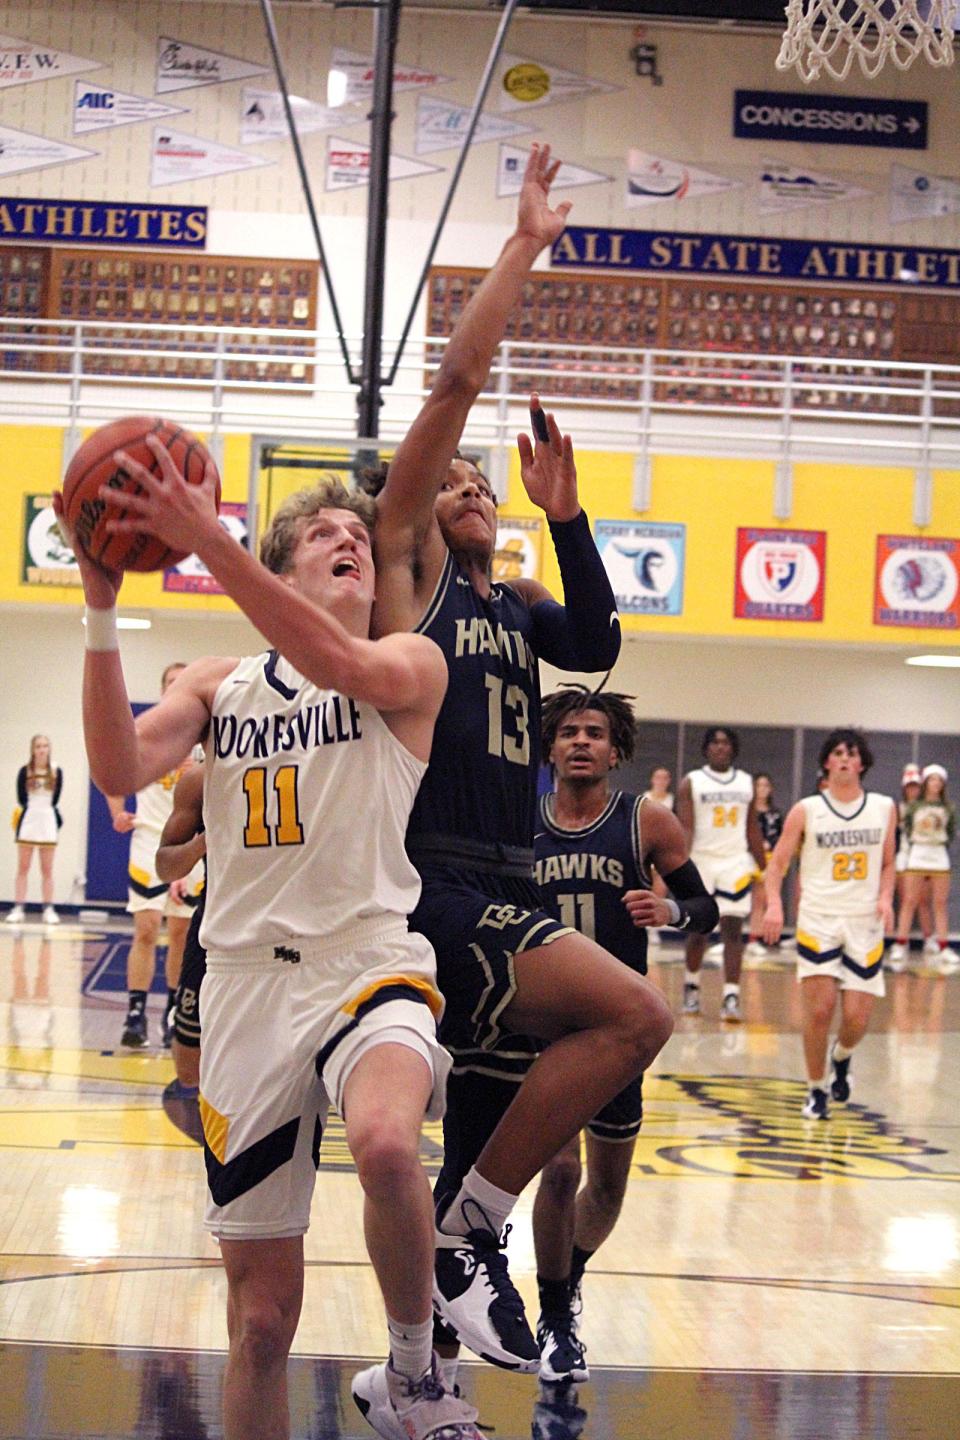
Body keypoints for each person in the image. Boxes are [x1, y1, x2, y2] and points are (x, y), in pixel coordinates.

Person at [56, 455, 486, 1440]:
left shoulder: (410, 667)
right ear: (281, 567)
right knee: (259, 1322)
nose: (348, 541)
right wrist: (98, 603)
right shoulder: (220, 685)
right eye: (321, 534)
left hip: (368, 962)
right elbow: (120, 763)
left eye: (359, 540)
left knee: (385, 1141)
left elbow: (340, 666)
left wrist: (203, 538)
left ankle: (415, 1373)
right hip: (247, 991)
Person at [370, 143, 674, 1379]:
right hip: (437, 874)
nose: (472, 484)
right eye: (457, 480)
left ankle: (421, 1370)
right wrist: (524, 248)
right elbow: (451, 384)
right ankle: (467, 1236)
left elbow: (597, 639)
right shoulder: (414, 581)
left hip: (506, 882)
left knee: (488, 1127)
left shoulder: (517, 602)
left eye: (480, 481)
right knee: (635, 1014)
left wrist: (566, 513)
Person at [531, 686, 716, 1384]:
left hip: (619, 1029)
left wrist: (669, 908)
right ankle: (554, 1317)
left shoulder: (646, 821)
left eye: (595, 733)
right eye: (570, 731)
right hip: (542, 1023)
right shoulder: (521, 824)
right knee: (558, 1171)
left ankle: (563, 1277)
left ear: (616, 749)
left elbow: (706, 908)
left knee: (605, 1191)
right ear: (548, 746)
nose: (582, 741)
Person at [763, 728, 895, 1120]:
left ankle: (842, 1056)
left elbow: (888, 863)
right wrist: (774, 905)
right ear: (825, 761)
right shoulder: (806, 809)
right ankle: (816, 1088)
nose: (843, 758)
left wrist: (886, 897)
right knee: (819, 1012)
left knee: (856, 1017)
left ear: (862, 763)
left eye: (851, 753)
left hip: (864, 919)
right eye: (837, 752)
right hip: (818, 918)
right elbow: (777, 866)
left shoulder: (884, 807)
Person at [105, 665, 205, 1049]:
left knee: (180, 932)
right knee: (146, 928)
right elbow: (110, 766)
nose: (177, 688)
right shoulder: (146, 731)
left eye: (183, 681)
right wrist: (117, 811)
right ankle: (135, 1011)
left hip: (186, 843)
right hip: (148, 839)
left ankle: (172, 1010)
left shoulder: (202, 735)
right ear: (163, 690)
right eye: (170, 683)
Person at [676, 727, 765, 1022]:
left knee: (732, 932)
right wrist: (679, 866)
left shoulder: (746, 782)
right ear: (705, 749)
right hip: (701, 861)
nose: (720, 747)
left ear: (733, 749)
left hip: (735, 862)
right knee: (699, 931)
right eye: (714, 742)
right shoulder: (692, 782)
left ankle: (731, 995)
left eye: (726, 742)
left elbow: (752, 827)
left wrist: (765, 866)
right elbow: (686, 828)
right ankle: (691, 986)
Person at [155, 762, 207, 1091]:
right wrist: (200, 845)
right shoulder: (199, 780)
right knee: (188, 1066)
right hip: (216, 928)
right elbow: (164, 863)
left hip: (291, 933)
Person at [892, 763, 955, 968]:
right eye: (931, 779)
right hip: (918, 853)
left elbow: (952, 831)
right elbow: (907, 830)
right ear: (925, 782)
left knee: (939, 902)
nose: (935, 784)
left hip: (938, 854)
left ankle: (943, 946)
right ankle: (900, 944)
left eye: (939, 780)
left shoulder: (948, 808)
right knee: (909, 900)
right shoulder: (913, 807)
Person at [6, 735, 63, 926]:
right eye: (38, 746)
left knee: (47, 869)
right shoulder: (25, 771)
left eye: (45, 746)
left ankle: (48, 908)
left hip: (47, 820)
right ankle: (18, 908)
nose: (42, 750)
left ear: (49, 748)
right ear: (33, 749)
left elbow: (56, 799)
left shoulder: (56, 771)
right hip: (29, 819)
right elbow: (21, 797)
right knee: (23, 867)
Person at [888, 763, 932, 970]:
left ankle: (930, 940)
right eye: (910, 786)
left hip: (923, 857)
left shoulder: (927, 808)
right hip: (903, 858)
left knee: (923, 900)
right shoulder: (897, 808)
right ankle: (900, 942)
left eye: (916, 786)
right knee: (906, 900)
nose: (913, 790)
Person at [745, 773, 783, 959]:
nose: (762, 789)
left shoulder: (775, 814)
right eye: (758, 785)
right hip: (747, 857)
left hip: (769, 859)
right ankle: (729, 937)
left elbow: (781, 837)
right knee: (738, 899)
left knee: (762, 899)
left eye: (765, 785)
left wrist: (771, 846)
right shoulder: (747, 811)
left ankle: (758, 937)